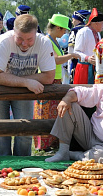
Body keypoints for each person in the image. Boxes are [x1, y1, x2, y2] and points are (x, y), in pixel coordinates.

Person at [0, 14, 56, 156]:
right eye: (19, 38)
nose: (24, 44)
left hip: (23, 89)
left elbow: (49, 76)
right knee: (1, 131)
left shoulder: (44, 43)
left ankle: (23, 167)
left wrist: (16, 80)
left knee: (25, 130)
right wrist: (26, 81)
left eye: (29, 39)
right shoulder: (3, 41)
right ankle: (2, 166)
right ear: (13, 31)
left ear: (36, 33)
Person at [33, 14, 80, 150]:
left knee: (53, 112)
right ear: (58, 28)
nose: (65, 32)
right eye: (63, 29)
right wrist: (71, 55)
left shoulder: (53, 40)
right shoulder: (47, 40)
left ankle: (50, 142)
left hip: (55, 79)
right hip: (48, 79)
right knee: (45, 112)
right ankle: (43, 144)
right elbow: (56, 60)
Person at [73, 8, 103, 84]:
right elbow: (76, 52)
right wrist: (88, 58)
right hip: (84, 69)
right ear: (96, 23)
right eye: (102, 23)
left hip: (95, 68)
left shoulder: (98, 33)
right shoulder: (83, 32)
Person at [68, 10, 91, 83]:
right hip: (89, 63)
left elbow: (71, 49)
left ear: (77, 20)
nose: (72, 22)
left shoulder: (74, 30)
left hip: (76, 62)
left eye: (73, 19)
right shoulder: (89, 30)